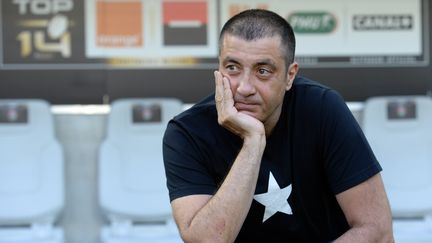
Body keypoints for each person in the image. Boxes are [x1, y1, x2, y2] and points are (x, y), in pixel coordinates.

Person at [163, 9, 393, 243]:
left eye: (263, 71)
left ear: (290, 76)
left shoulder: (323, 108)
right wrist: (252, 143)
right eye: (232, 68)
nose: (244, 87)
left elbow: (377, 231)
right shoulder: (187, 132)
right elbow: (207, 241)